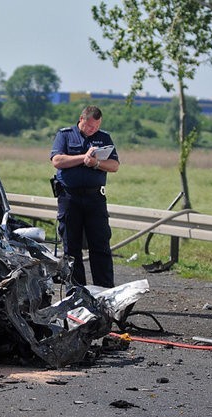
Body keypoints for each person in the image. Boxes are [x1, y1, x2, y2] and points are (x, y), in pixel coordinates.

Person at [50, 105, 119, 288]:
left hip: (94, 198)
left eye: (96, 127)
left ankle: (104, 291)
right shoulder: (65, 135)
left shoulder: (104, 138)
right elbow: (57, 161)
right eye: (90, 126)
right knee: (71, 248)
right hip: (70, 198)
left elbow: (114, 165)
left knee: (100, 245)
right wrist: (83, 158)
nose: (93, 130)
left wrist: (96, 163)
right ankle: (76, 292)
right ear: (81, 119)